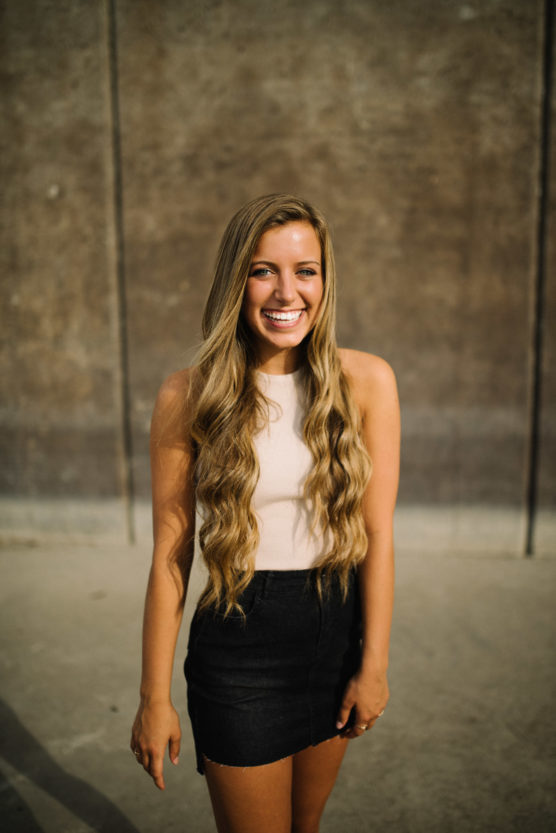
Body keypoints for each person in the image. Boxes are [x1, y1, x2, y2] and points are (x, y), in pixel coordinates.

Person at [130, 193, 400, 833]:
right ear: (235, 280)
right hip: (238, 649)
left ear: (326, 281)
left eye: (305, 270)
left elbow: (379, 536)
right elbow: (171, 554)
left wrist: (374, 667)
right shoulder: (187, 394)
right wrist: (153, 698)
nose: (287, 291)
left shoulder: (367, 381)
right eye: (262, 270)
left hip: (335, 640)